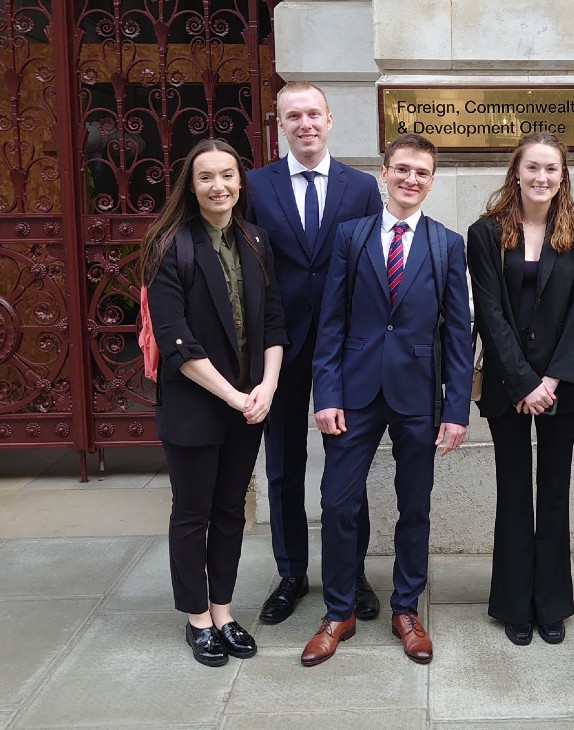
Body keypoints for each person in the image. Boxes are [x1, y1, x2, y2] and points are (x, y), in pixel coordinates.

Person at [302, 133, 473, 667]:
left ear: (431, 180)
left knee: (414, 506)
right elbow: (331, 321)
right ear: (384, 172)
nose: (411, 180)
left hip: (418, 393)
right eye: (402, 169)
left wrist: (456, 409)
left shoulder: (446, 244)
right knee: (337, 502)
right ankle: (338, 611)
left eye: (421, 172)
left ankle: (406, 607)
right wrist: (325, 392)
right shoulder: (351, 237)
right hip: (353, 393)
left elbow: (459, 332)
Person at [141, 139, 289, 667]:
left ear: (240, 182)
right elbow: (176, 337)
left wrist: (267, 386)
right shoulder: (168, 244)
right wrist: (233, 395)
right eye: (207, 177)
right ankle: (196, 618)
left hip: (250, 401)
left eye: (228, 175)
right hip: (197, 402)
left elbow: (273, 320)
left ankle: (223, 611)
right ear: (191, 185)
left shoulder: (255, 240)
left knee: (231, 511)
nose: (219, 186)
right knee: (192, 512)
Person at [246, 81, 382, 626]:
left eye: (313, 114)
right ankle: (291, 572)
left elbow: (373, 267)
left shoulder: (362, 187)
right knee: (283, 465)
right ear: (280, 123)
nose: (305, 124)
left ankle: (349, 572)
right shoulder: (256, 185)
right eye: (292, 116)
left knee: (346, 465)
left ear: (330, 120)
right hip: (278, 345)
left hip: (345, 349)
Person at [467, 133, 574, 646]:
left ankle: (552, 604)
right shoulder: (485, 232)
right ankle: (513, 603)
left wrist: (551, 380)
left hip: (559, 386)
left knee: (555, 491)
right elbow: (490, 312)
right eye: (533, 168)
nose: (541, 178)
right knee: (514, 491)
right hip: (507, 384)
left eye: (551, 169)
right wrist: (523, 381)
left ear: (562, 176)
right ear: (515, 172)